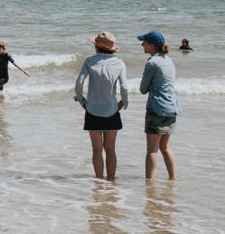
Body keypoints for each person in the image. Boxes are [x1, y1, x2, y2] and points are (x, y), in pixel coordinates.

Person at [74, 32, 128, 181]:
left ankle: (99, 181)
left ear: (97, 47)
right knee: (111, 149)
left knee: (97, 150)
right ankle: (111, 180)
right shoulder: (119, 63)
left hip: (92, 109)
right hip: (112, 109)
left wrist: (81, 100)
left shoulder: (90, 61)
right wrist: (123, 102)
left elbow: (79, 83)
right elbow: (124, 87)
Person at [138, 31, 180, 180]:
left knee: (152, 150)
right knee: (165, 147)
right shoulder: (169, 60)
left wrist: (150, 86)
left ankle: (149, 182)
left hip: (156, 107)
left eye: (144, 42)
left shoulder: (152, 62)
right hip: (171, 107)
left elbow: (142, 89)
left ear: (151, 45)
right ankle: (173, 179)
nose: (142, 44)